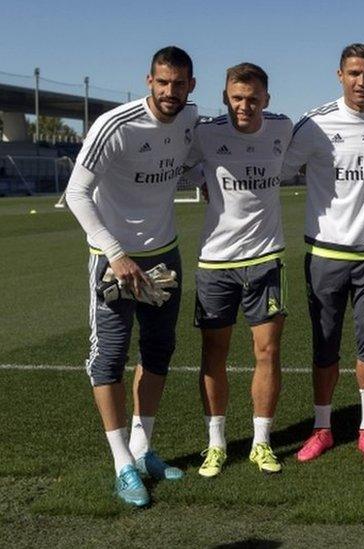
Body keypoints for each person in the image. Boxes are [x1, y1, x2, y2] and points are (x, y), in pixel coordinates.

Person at [65, 46, 197, 506]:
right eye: (162, 82)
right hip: (114, 262)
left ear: (190, 88)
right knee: (109, 358)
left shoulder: (190, 119)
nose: (169, 92)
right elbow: (76, 193)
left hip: (165, 257)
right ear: (149, 81)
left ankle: (143, 449)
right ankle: (122, 462)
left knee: (159, 351)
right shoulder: (114, 126)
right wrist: (115, 253)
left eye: (178, 84)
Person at [284, 43, 364, 464]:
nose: (362, 81)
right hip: (325, 253)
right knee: (324, 345)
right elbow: (278, 168)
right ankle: (322, 428)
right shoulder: (315, 124)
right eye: (354, 73)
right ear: (340, 75)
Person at [184, 63, 292, 477]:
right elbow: (180, 161)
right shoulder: (208, 133)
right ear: (225, 97)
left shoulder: (283, 129)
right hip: (215, 263)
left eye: (252, 98)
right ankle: (216, 444)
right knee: (214, 354)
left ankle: (261, 443)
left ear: (267, 98)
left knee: (267, 352)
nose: (244, 106)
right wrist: (203, 179)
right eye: (236, 98)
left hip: (265, 260)